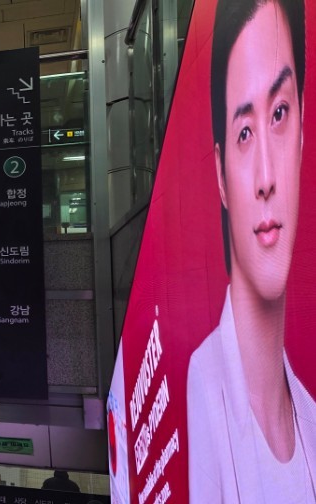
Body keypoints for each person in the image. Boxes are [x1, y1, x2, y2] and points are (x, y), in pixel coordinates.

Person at [187, 0, 314, 501]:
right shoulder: (206, 383)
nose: (265, 178)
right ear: (221, 175)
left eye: (280, 113)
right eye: (244, 132)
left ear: (302, 128)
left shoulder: (310, 418)